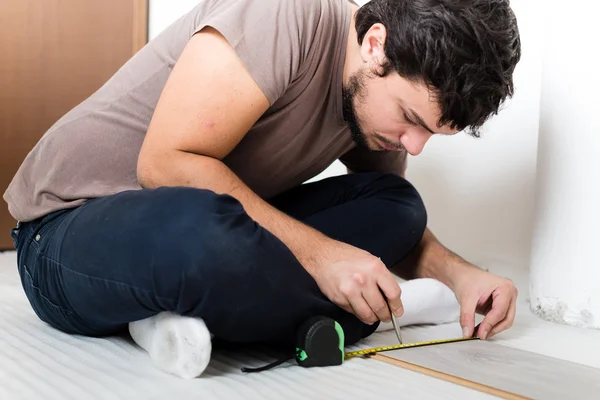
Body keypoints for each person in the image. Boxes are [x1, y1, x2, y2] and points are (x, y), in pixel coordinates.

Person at [4, 0, 521, 378]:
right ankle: (360, 314)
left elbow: (390, 221)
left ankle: (185, 312)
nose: (414, 144)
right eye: (410, 118)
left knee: (399, 208)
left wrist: (459, 274)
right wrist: (321, 256)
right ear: (375, 44)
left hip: (214, 228)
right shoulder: (281, 14)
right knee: (203, 232)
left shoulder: (373, 110)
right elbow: (164, 164)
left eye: (431, 132)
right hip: (64, 233)